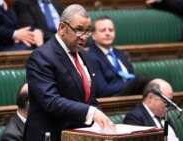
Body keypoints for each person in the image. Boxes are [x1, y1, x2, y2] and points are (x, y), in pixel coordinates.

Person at [24, 4, 115, 141]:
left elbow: (90, 99)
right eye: (79, 30)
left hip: (78, 135)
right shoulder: (41, 57)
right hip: (49, 136)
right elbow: (52, 102)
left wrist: (101, 119)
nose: (84, 37)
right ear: (62, 28)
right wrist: (91, 112)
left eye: (87, 31)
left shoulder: (86, 56)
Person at [88, 16, 150, 98]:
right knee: (142, 79)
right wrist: (131, 83)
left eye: (111, 30)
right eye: (103, 30)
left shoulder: (120, 54)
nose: (108, 33)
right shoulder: (91, 57)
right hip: (113, 99)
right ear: (93, 35)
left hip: (133, 95)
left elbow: (130, 75)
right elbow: (102, 90)